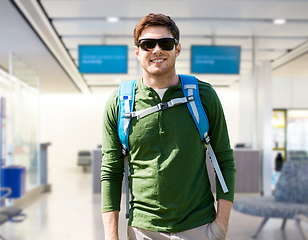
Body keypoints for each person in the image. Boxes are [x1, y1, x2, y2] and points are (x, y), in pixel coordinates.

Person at [101, 13, 236, 240]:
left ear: (177, 49)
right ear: (137, 52)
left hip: (199, 226)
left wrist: (221, 225)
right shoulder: (119, 102)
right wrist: (111, 236)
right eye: (147, 44)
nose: (156, 50)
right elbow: (111, 172)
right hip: (143, 229)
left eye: (165, 43)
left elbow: (224, 159)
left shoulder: (203, 96)